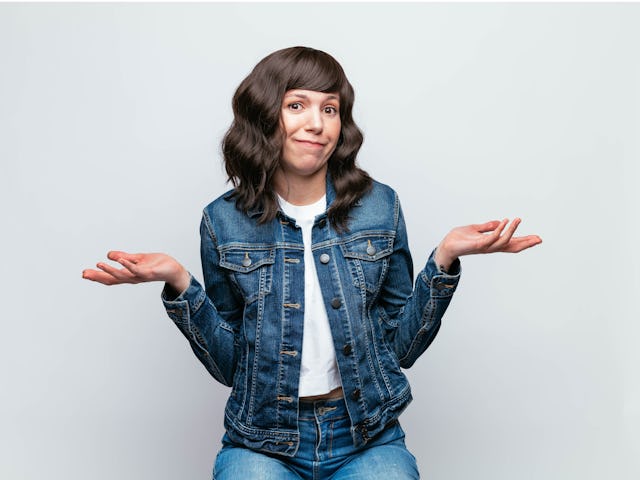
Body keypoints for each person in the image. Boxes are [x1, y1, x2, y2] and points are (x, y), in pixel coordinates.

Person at [82, 46, 541, 479]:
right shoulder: (222, 220)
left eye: (330, 108)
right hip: (261, 440)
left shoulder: (380, 206)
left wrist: (444, 260)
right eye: (296, 105)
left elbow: (402, 349)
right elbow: (229, 368)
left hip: (367, 435)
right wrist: (180, 283)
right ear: (266, 116)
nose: (317, 124)